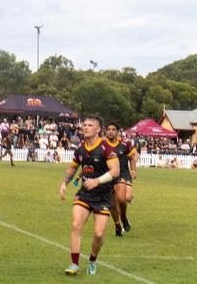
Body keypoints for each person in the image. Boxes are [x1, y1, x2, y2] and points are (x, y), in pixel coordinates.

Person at [59, 116, 119, 276]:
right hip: (84, 195)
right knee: (76, 225)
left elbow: (115, 171)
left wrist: (97, 181)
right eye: (84, 125)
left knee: (98, 234)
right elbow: (72, 168)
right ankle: (74, 264)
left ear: (98, 129)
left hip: (104, 196)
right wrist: (65, 183)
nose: (85, 127)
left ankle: (92, 260)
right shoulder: (80, 150)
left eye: (90, 125)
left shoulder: (106, 148)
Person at [104, 122, 139, 237]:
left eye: (113, 129)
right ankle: (118, 225)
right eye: (108, 129)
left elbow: (133, 157)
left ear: (118, 132)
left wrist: (133, 170)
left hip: (122, 174)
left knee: (123, 198)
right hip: (107, 176)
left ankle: (123, 218)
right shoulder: (102, 145)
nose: (111, 131)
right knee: (112, 205)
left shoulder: (125, 144)